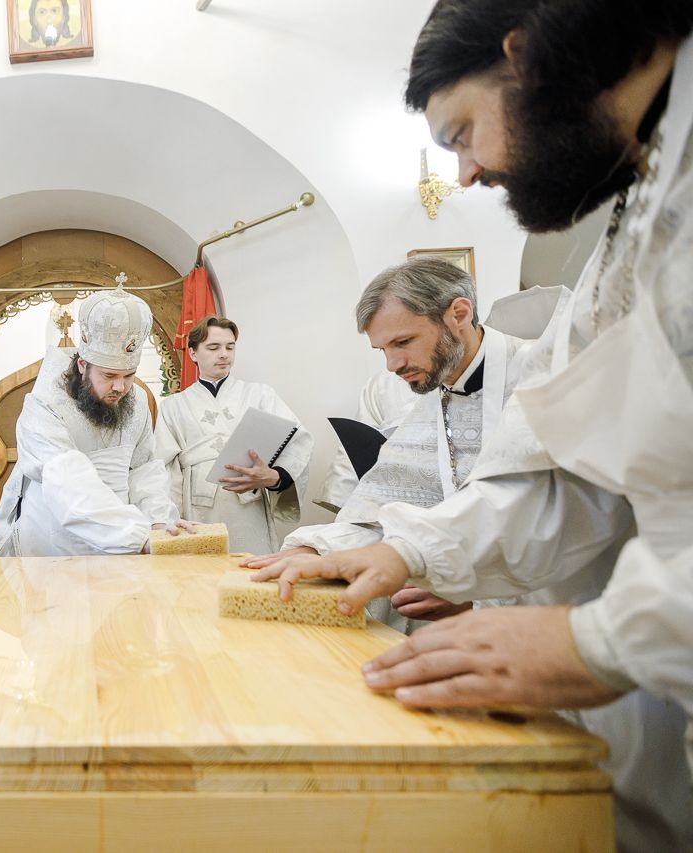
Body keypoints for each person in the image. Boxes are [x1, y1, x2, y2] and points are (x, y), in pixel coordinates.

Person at [251, 2, 693, 848]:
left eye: (460, 132)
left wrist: (599, 640)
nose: (463, 175)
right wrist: (403, 551)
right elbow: (552, 479)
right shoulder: (640, 200)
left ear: (526, 60)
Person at [249, 259, 620, 634]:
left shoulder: (547, 376)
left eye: (403, 342)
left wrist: (477, 593)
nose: (392, 364)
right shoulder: (434, 399)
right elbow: (381, 515)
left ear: (459, 314)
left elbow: (578, 519)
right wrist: (315, 551)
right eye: (382, 349)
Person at [0, 285, 192, 556]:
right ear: (82, 365)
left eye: (129, 375)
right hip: (55, 539)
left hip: (124, 538)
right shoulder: (44, 405)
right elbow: (66, 481)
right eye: (109, 376)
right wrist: (136, 535)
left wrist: (157, 522)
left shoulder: (137, 401)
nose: (121, 387)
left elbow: (143, 469)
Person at [155, 316, 313, 553]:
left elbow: (298, 441)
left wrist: (274, 477)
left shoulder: (260, 395)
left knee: (252, 567)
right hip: (196, 507)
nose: (224, 354)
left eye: (230, 347)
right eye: (214, 347)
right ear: (193, 353)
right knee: (199, 570)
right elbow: (164, 469)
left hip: (249, 505)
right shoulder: (173, 406)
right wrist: (170, 518)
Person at [312, 368, 417, 514]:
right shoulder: (385, 382)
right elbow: (359, 440)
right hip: (387, 504)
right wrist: (339, 497)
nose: (392, 364)